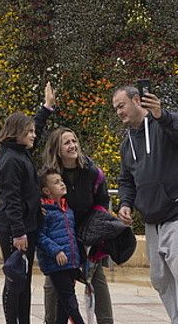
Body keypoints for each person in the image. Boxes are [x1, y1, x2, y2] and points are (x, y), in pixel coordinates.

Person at [112, 85, 178, 324]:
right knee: (160, 279)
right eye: (116, 108)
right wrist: (125, 203)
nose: (119, 112)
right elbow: (126, 180)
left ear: (136, 100)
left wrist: (161, 114)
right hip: (154, 220)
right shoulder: (126, 144)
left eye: (121, 105)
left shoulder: (163, 126)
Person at [37, 84, 114, 324]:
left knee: (96, 278)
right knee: (55, 282)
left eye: (74, 141)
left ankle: (106, 321)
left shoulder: (92, 171)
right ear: (57, 150)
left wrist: (98, 226)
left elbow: (102, 199)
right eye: (66, 143)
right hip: (60, 235)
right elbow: (41, 198)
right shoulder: (50, 175)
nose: (72, 145)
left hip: (86, 233)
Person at [0, 111, 38, 324]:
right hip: (14, 227)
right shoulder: (12, 158)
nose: (33, 135)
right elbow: (11, 198)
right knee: (16, 278)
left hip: (26, 224)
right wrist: (19, 232)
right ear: (17, 132)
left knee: (24, 279)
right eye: (29, 131)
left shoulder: (20, 152)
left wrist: (46, 109)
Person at [36, 169, 85, 324]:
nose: (62, 184)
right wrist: (56, 250)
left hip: (70, 263)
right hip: (56, 264)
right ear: (46, 191)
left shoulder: (67, 209)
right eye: (56, 182)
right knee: (71, 303)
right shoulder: (44, 211)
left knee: (63, 307)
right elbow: (39, 236)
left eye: (61, 180)